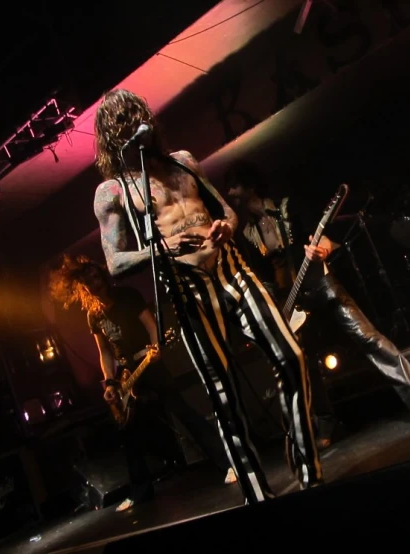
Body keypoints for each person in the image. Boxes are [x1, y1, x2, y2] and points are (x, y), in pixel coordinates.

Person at [91, 89, 322, 504]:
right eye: (123, 124)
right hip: (185, 288)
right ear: (113, 137)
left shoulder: (183, 162)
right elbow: (114, 262)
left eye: (136, 117)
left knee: (291, 354)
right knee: (223, 391)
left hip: (230, 266)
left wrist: (227, 227)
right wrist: (163, 248)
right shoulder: (113, 192)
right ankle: (256, 493)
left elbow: (225, 210)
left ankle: (306, 466)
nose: (133, 127)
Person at [225, 161, 410, 446]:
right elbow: (265, 279)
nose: (230, 194)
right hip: (292, 300)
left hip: (320, 283)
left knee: (367, 337)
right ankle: (326, 425)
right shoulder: (247, 233)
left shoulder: (287, 207)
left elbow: (326, 238)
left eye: (234, 186)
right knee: (303, 362)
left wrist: (323, 249)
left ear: (250, 186)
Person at [48, 254, 236, 512]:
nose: (93, 281)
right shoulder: (93, 315)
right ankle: (140, 492)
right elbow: (104, 352)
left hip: (148, 362)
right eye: (87, 279)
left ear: (102, 276)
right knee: (129, 434)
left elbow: (151, 325)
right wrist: (110, 383)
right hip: (126, 374)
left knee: (181, 410)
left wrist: (156, 347)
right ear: (82, 286)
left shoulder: (127, 296)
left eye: (95, 275)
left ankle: (227, 463)